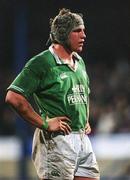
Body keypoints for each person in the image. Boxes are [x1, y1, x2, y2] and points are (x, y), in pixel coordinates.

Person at [5, 8, 100, 180]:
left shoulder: (79, 61)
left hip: (82, 139)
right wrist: (45, 124)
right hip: (56, 141)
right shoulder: (42, 62)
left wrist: (84, 118)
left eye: (83, 30)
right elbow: (13, 97)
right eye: (77, 31)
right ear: (63, 34)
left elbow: (83, 92)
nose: (83, 35)